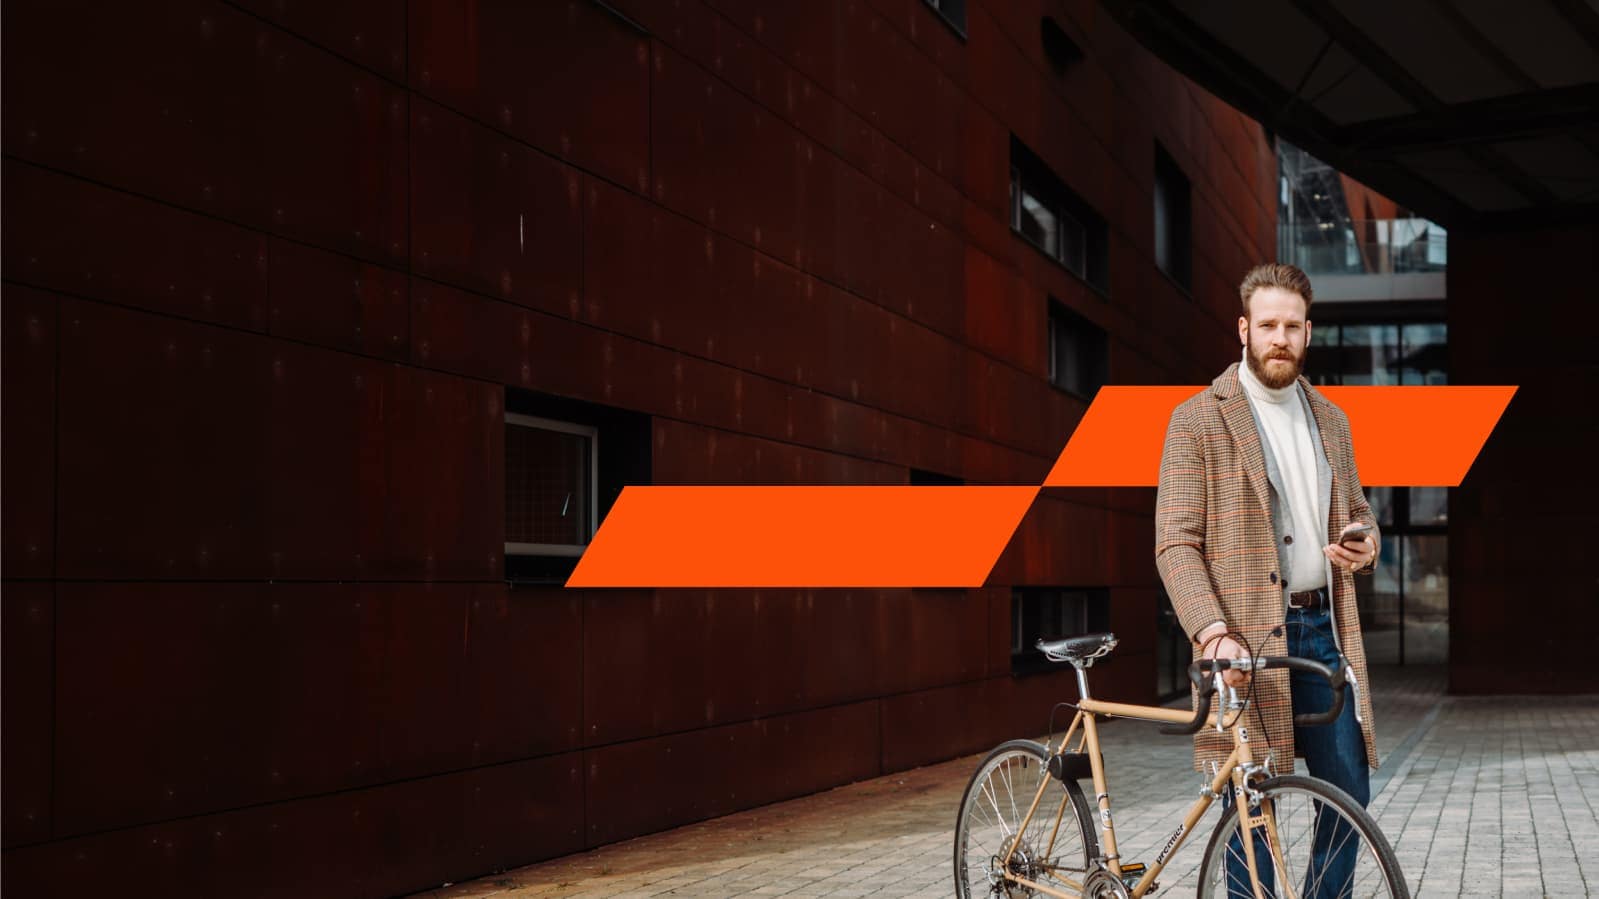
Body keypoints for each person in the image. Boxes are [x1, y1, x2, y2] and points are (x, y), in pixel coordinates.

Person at [1154, 263, 1380, 897]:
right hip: (1241, 639)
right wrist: (1212, 632)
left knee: (1348, 796)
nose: (1279, 338)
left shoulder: (1332, 419)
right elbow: (1175, 543)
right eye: (1268, 325)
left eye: (1292, 326)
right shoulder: (1196, 419)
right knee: (1249, 806)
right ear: (1244, 330)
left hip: (1321, 631)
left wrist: (1365, 543)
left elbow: (1357, 511)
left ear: (1308, 333)